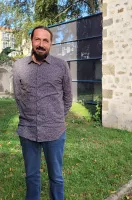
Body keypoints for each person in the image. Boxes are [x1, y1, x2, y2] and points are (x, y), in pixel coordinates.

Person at [13, 26, 72, 200]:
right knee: (31, 176)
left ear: (51, 44)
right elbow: (18, 96)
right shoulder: (19, 66)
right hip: (27, 131)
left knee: (56, 177)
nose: (41, 44)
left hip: (55, 131)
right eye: (37, 39)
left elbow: (68, 97)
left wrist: (56, 118)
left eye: (45, 41)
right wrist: (29, 116)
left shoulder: (61, 66)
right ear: (32, 40)